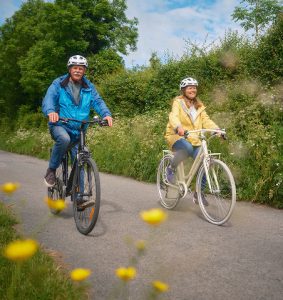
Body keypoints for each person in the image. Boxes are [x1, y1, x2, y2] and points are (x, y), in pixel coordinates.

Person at [42, 55, 113, 187]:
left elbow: (97, 101)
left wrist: (106, 114)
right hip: (60, 125)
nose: (77, 71)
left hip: (79, 129)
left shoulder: (88, 86)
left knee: (80, 159)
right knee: (64, 139)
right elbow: (49, 98)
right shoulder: (59, 84)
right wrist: (51, 111)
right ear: (69, 69)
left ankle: (79, 197)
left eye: (81, 68)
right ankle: (51, 170)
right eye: (75, 68)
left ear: (84, 70)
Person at [165, 77, 220, 206]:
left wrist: (216, 129)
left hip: (194, 138)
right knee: (187, 148)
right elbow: (173, 116)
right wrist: (178, 127)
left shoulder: (199, 106)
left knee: (206, 163)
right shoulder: (178, 102)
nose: (192, 90)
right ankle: (170, 169)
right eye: (189, 87)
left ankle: (199, 193)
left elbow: (206, 121)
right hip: (177, 136)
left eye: (194, 87)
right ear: (184, 90)